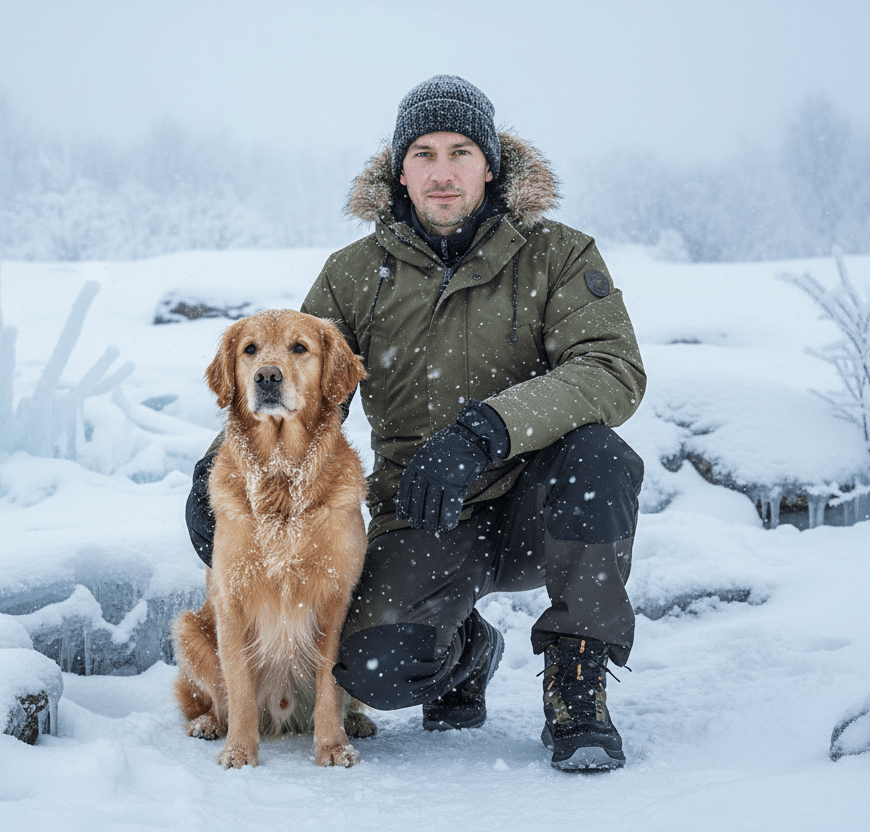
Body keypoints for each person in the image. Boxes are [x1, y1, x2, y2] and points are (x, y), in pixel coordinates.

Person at [187, 74, 646, 771]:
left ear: (491, 164)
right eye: (423, 154)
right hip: (424, 514)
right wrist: (218, 469)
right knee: (369, 667)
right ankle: (466, 649)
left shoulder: (559, 255)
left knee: (601, 458)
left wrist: (486, 429)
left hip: (536, 506)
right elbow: (295, 384)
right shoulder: (353, 275)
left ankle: (576, 681)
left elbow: (612, 368)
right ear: (399, 171)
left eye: (460, 151)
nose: (442, 172)